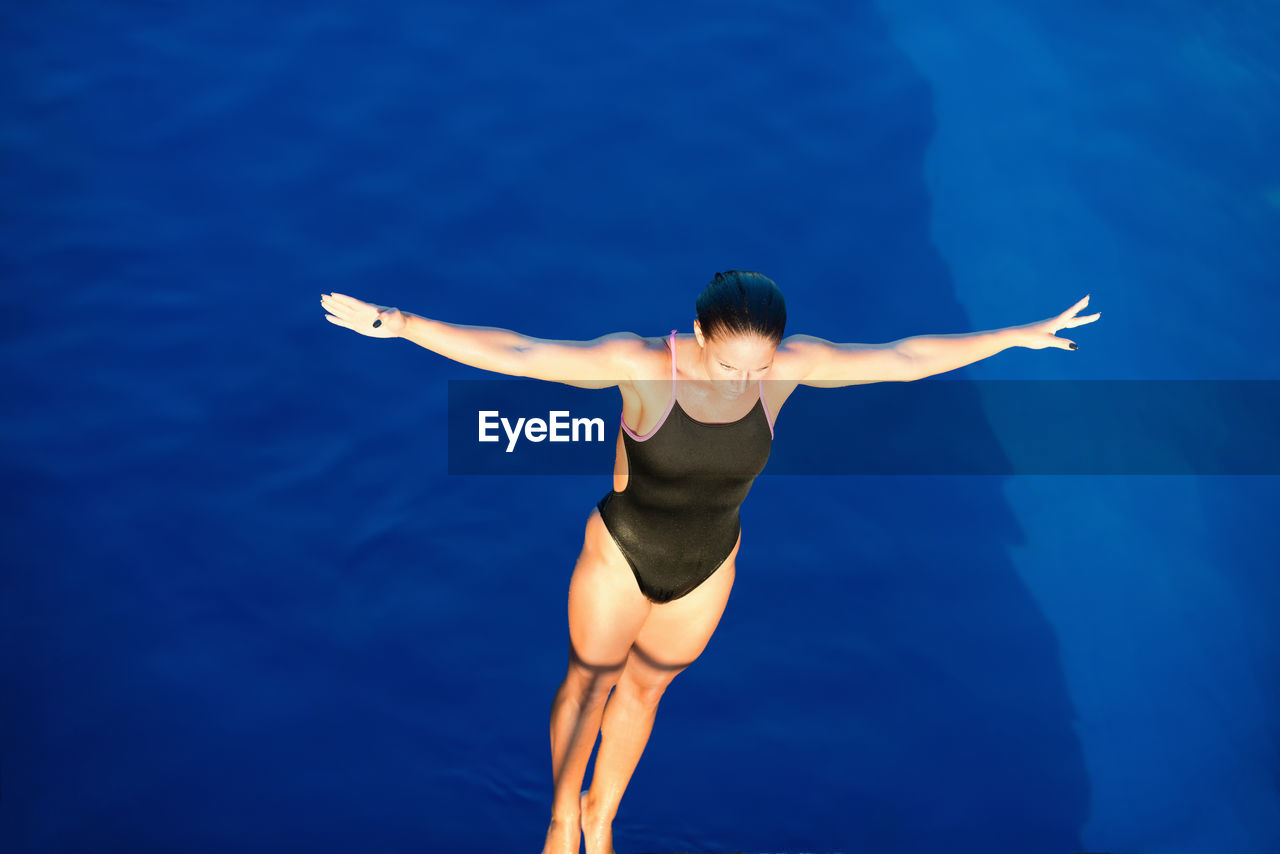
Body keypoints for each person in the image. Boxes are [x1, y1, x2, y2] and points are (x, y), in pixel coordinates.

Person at [319, 271, 1099, 854]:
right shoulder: (641, 367)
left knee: (646, 692)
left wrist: (1009, 335)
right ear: (697, 333)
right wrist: (401, 322)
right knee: (588, 682)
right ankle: (562, 816)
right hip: (621, 553)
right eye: (731, 364)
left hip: (707, 565)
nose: (744, 379)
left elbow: (899, 357)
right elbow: (523, 355)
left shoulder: (783, 372)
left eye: (757, 366)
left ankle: (603, 816)